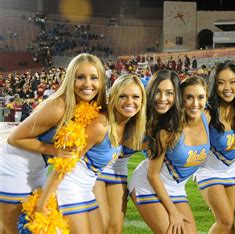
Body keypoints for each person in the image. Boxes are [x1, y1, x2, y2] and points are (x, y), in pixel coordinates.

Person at [0, 53, 107, 233]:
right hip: (14, 169)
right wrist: (55, 150)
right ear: (70, 80)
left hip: (36, 170)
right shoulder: (58, 106)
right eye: (80, 77)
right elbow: (15, 138)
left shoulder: (84, 107)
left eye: (94, 78)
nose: (88, 84)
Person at [35, 73, 146, 233]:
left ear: (142, 101)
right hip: (71, 186)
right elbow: (65, 163)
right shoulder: (101, 125)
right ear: (113, 97)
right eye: (123, 96)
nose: (130, 102)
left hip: (86, 188)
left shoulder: (127, 127)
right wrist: (43, 202)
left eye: (136, 97)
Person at [93, 70, 178, 233]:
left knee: (116, 227)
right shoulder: (118, 114)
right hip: (97, 166)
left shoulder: (158, 125)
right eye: (158, 93)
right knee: (101, 224)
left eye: (169, 94)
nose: (162, 99)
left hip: (119, 168)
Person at [130, 76, 209, 233]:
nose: (195, 104)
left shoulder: (207, 117)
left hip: (176, 188)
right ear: (180, 100)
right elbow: (152, 174)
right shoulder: (167, 130)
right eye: (188, 98)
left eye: (200, 97)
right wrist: (173, 211)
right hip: (149, 183)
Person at [195, 61, 235, 234]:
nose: (228, 87)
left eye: (232, 81)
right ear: (214, 85)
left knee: (230, 226)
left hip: (233, 172)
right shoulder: (207, 111)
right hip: (209, 171)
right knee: (225, 222)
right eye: (221, 82)